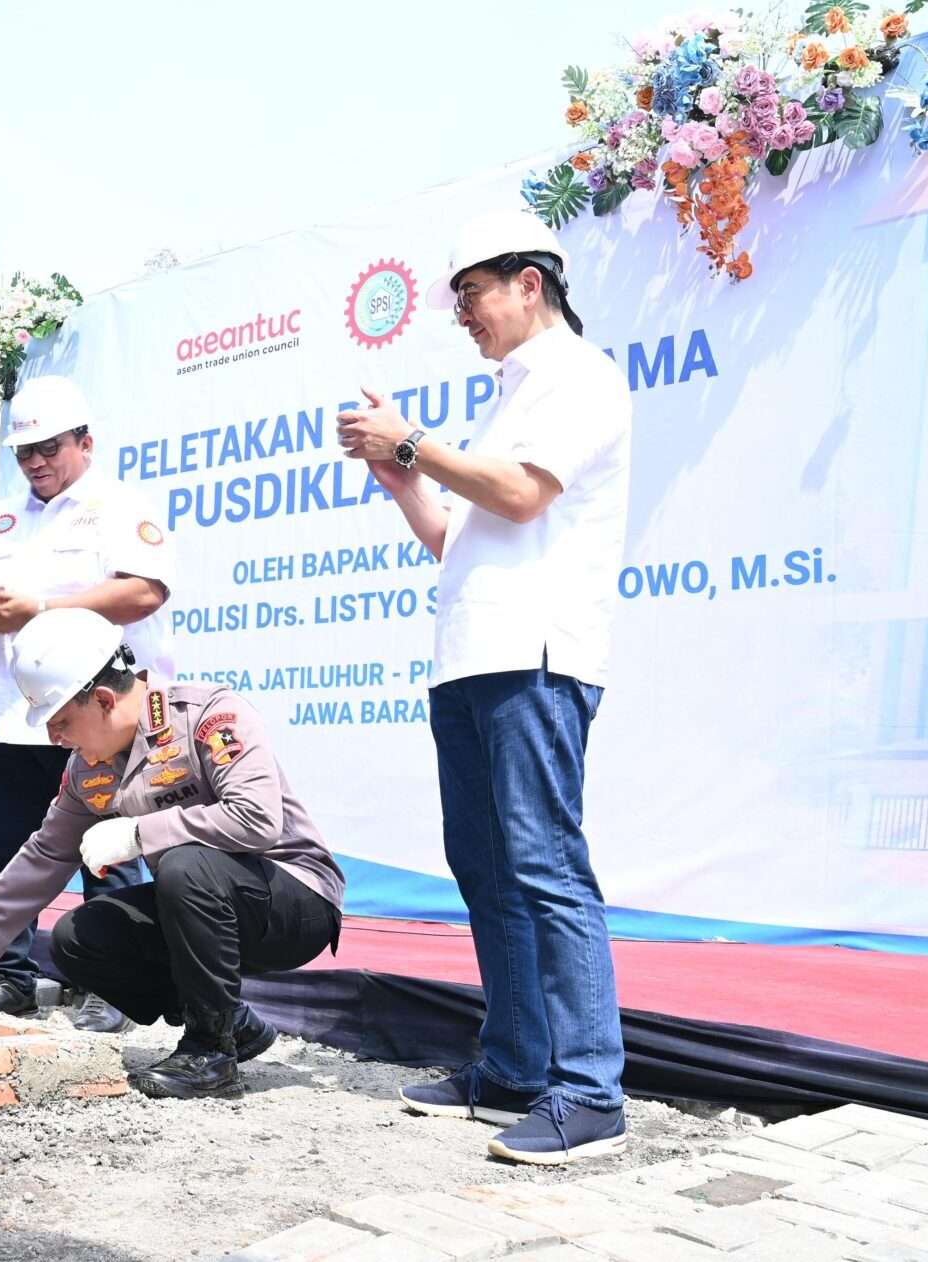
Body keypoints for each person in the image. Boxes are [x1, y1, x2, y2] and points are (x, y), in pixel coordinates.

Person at [338, 209, 632, 1165]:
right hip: (469, 657)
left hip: (535, 656)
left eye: (470, 293)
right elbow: (455, 537)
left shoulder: (579, 377)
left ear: (528, 284)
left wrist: (412, 441)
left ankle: (590, 1091)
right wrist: (397, 474)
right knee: (487, 871)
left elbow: (518, 495)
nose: (461, 314)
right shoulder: (512, 395)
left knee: (545, 868)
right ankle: (512, 1065)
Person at [0, 609, 343, 1099]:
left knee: (183, 863)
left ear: (105, 699)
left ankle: (209, 1053)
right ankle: (233, 1022)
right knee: (78, 936)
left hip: (292, 901)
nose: (54, 738)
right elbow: (43, 857)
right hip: (203, 904)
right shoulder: (89, 769)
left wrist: (140, 834)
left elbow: (256, 819)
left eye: (62, 722)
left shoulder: (208, 716)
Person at [0, 374, 176, 1030]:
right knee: (4, 851)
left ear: (85, 442)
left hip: (94, 721)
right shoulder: (6, 517)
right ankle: (7, 977)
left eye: (49, 448)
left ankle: (113, 984)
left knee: (107, 850)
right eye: (25, 452)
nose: (37, 462)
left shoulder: (119, 506)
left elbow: (144, 592)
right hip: (5, 719)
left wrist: (39, 608)